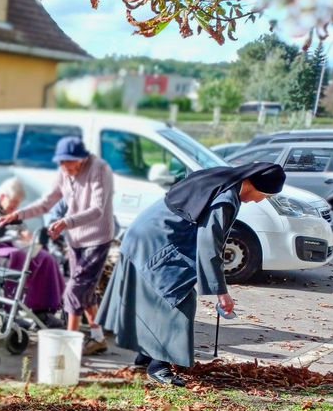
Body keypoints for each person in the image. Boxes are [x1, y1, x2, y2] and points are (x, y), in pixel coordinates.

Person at [97, 162, 286, 386]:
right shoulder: (226, 199)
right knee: (179, 300)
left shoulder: (223, 177)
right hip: (158, 239)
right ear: (253, 184)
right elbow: (209, 246)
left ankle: (146, 355)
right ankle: (159, 365)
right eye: (263, 195)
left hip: (144, 232)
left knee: (155, 298)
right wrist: (221, 293)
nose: (259, 200)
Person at [2, 136, 115, 355]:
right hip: (75, 239)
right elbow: (46, 202)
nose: (63, 166)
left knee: (73, 291)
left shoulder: (100, 169)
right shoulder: (64, 172)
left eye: (67, 162)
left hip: (97, 238)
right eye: (60, 162)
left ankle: (67, 349)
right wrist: (18, 214)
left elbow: (98, 209)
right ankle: (98, 338)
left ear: (81, 159)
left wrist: (66, 222)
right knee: (85, 291)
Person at [0, 177, 66, 325]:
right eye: (12, 205)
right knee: (18, 256)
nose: (14, 208)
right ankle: (9, 311)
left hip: (12, 245)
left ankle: (43, 311)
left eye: (17, 205)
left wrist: (27, 235)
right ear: (2, 197)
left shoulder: (10, 209)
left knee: (45, 257)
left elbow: (21, 228)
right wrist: (14, 234)